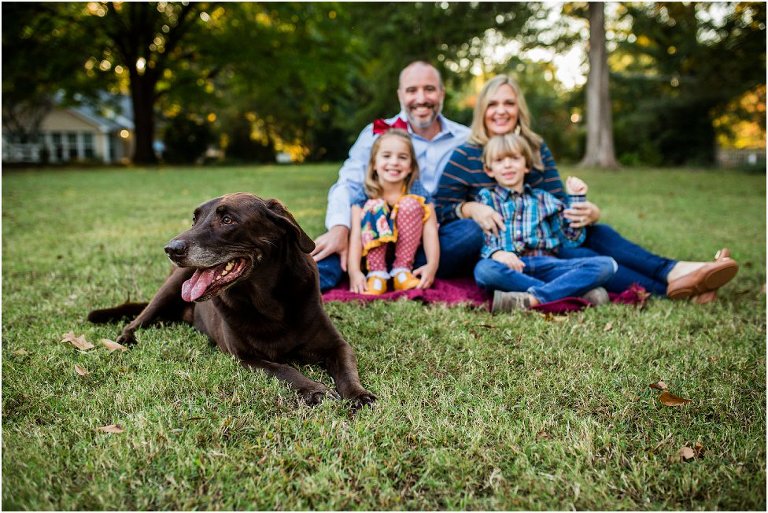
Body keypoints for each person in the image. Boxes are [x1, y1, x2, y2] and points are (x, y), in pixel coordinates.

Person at [434, 74, 739, 303]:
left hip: (544, 240)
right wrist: (469, 207)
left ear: (519, 109)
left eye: (509, 103)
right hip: (494, 248)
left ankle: (676, 275)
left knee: (599, 234)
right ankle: (667, 284)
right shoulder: (466, 153)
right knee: (494, 268)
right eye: (493, 104)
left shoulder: (535, 147)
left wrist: (585, 208)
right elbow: (443, 208)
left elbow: (555, 203)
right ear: (482, 110)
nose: (501, 111)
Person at [312, 61, 471, 291]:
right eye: (411, 90)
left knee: (470, 233)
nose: (421, 98)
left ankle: (401, 270)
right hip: (373, 230)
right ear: (400, 95)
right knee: (333, 249)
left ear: (442, 93)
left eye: (429, 89)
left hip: (429, 235)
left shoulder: (465, 139)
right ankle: (337, 274)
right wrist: (339, 227)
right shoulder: (377, 133)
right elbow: (348, 183)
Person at [474, 133, 616, 311]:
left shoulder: (544, 199)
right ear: (489, 170)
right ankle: (570, 294)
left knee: (607, 264)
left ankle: (533, 299)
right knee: (484, 270)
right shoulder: (486, 200)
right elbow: (482, 237)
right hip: (511, 268)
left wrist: (577, 198)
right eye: (500, 160)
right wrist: (498, 253)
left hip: (549, 265)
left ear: (526, 165)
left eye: (515, 158)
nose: (508, 165)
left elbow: (571, 240)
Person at [347, 129, 439, 295]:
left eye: (402, 157)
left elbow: (431, 230)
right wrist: (354, 272)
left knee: (410, 204)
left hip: (409, 254)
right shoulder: (364, 194)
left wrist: (432, 266)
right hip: (371, 256)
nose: (394, 162)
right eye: (386, 156)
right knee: (375, 205)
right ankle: (377, 275)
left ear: (411, 167)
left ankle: (401, 273)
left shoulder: (417, 191)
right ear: (374, 163)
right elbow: (355, 235)